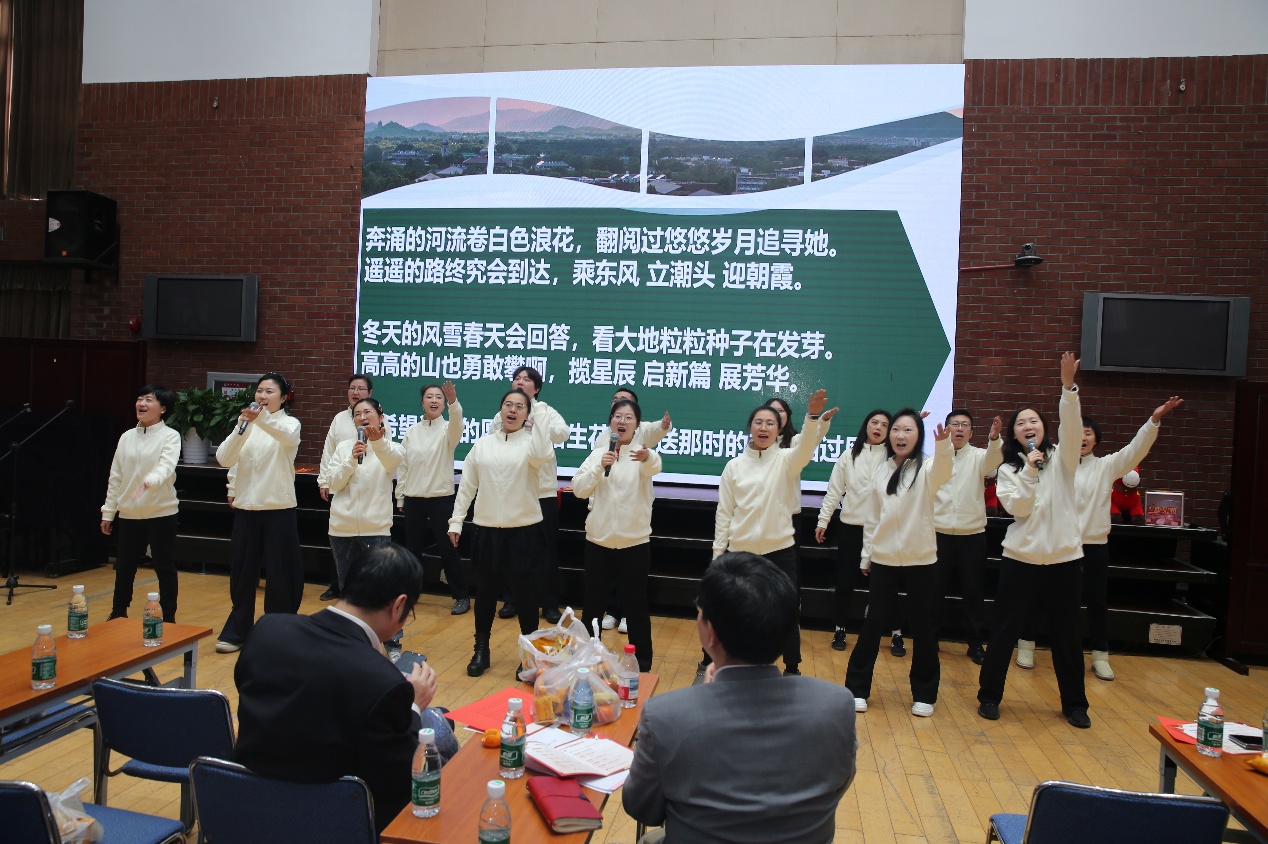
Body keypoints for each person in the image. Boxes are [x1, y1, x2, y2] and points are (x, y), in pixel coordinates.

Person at [623, 552, 856, 844]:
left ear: (710, 633)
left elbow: (642, 808)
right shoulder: (837, 705)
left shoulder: (665, 716)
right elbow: (837, 786)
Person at [233, 544, 458, 834]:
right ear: (399, 605)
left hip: (246, 816)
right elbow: (402, 782)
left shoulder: (267, 630)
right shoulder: (383, 681)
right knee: (438, 731)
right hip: (329, 825)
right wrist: (412, 707)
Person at [977, 352, 1092, 729]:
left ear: (1045, 429)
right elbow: (1018, 508)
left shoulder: (1064, 459)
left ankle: (1075, 704)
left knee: (1068, 637)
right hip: (1021, 560)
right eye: (1021, 423)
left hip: (1064, 561)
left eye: (1034, 421)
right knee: (1004, 631)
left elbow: (1072, 427)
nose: (1028, 426)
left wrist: (1068, 389)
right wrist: (1028, 471)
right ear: (1015, 435)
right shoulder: (1009, 470)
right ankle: (989, 696)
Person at [713, 389, 837, 676]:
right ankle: (731, 665)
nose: (764, 427)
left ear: (780, 430)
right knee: (737, 611)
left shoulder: (786, 460)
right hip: (741, 552)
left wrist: (813, 417)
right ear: (750, 427)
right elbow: (724, 513)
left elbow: (806, 447)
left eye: (770, 423)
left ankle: (792, 667)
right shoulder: (734, 466)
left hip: (779, 551)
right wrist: (719, 554)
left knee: (786, 609)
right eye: (758, 422)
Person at [843, 409, 952, 717]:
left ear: (918, 436)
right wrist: (867, 556)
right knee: (873, 622)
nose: (900, 436)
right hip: (884, 558)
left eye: (908, 430)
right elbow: (873, 519)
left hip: (921, 559)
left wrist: (944, 446)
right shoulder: (881, 470)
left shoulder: (928, 467)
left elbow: (944, 471)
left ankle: (925, 694)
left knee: (922, 625)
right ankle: (857, 688)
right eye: (896, 430)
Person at [1069, 396, 1183, 680]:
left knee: (1097, 601)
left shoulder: (1106, 466)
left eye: (1088, 433)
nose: (1082, 437)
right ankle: (1028, 643)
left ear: (1095, 440)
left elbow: (1135, 450)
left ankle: (1100, 655)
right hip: (1060, 544)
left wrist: (1153, 420)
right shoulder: (1057, 464)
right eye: (1078, 432)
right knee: (1051, 596)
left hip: (1094, 545)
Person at [448, 388, 553, 677]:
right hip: (487, 530)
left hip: (523, 531)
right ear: (501, 409)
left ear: (527, 414)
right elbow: (467, 486)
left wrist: (540, 414)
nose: (513, 410)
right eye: (508, 404)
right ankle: (481, 650)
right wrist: (456, 521)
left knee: (525, 595)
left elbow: (543, 452)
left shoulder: (532, 445)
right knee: (485, 592)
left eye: (520, 406)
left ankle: (529, 657)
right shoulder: (483, 445)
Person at [214, 372, 304, 654]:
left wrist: (259, 419)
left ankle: (278, 631)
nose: (262, 396)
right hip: (246, 508)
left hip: (278, 508)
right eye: (259, 391)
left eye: (269, 392)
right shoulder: (246, 423)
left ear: (283, 398)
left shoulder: (289, 424)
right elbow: (225, 459)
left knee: (280, 574)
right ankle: (238, 629)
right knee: (242, 573)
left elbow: (285, 437)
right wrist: (242, 428)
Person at [572, 399, 661, 671]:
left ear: (637, 425)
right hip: (598, 541)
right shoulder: (598, 454)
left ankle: (642, 663)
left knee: (636, 606)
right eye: (617, 416)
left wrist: (648, 457)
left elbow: (655, 466)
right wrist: (599, 467)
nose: (622, 421)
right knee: (592, 605)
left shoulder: (642, 454)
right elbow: (579, 489)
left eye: (628, 417)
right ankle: (587, 658)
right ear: (610, 422)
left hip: (634, 543)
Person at [325, 397, 405, 657]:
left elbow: (393, 463)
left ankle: (392, 645)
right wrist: (351, 459)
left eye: (367, 412)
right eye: (357, 413)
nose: (362, 417)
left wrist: (377, 442)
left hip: (376, 529)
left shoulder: (390, 447)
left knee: (384, 589)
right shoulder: (344, 448)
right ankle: (352, 643)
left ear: (380, 417)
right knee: (348, 592)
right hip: (342, 529)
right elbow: (334, 483)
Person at [491, 366, 568, 624]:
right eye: (517, 378)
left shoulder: (545, 411)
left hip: (542, 492)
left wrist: (539, 426)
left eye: (526, 380)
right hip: (513, 491)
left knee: (546, 551)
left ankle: (549, 604)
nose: (520, 382)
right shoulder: (502, 415)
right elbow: (492, 442)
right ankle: (512, 599)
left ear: (537, 389)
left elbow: (563, 433)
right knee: (513, 550)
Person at [99, 384, 182, 622]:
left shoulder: (170, 436)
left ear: (163, 408)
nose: (142, 404)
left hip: (161, 512)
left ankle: (168, 617)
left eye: (149, 400)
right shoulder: (127, 437)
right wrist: (108, 512)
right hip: (130, 512)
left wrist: (149, 481)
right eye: (140, 399)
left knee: (164, 566)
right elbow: (116, 476)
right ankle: (118, 612)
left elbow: (166, 467)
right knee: (125, 566)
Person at [816, 409, 891, 651]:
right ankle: (840, 628)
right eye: (874, 422)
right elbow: (834, 491)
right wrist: (823, 520)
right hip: (851, 527)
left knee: (883, 584)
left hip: (881, 530)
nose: (878, 428)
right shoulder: (849, 456)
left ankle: (891, 631)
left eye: (884, 425)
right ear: (866, 426)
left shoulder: (893, 458)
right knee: (845, 582)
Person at [932, 409, 1002, 665]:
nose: (959, 429)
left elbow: (994, 461)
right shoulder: (935, 459)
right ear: (947, 429)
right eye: (955, 424)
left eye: (964, 425)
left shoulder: (980, 457)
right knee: (934, 590)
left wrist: (994, 439)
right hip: (938, 533)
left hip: (972, 535)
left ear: (971, 433)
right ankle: (930, 639)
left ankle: (975, 643)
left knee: (973, 593)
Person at [600, 387, 671, 632]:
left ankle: (628, 615)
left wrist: (663, 426)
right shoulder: (603, 438)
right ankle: (612, 611)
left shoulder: (642, 434)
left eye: (626, 406)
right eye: (616, 404)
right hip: (606, 515)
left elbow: (656, 435)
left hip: (632, 515)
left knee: (632, 573)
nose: (621, 415)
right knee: (611, 570)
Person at [396, 380, 470, 615]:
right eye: (429, 397)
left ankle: (461, 596)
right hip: (413, 498)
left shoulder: (448, 429)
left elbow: (457, 423)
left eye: (439, 397)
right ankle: (410, 595)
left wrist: (454, 402)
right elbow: (404, 466)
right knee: (412, 549)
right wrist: (400, 497)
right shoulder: (412, 431)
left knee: (448, 549)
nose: (434, 400)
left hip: (441, 498)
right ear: (422, 402)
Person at [316, 374, 374, 601]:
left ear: (369, 393)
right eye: (352, 388)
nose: (355, 392)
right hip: (340, 484)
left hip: (366, 489)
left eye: (360, 389)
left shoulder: (377, 418)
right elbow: (328, 451)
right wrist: (324, 481)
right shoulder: (339, 419)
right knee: (339, 542)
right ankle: (336, 586)